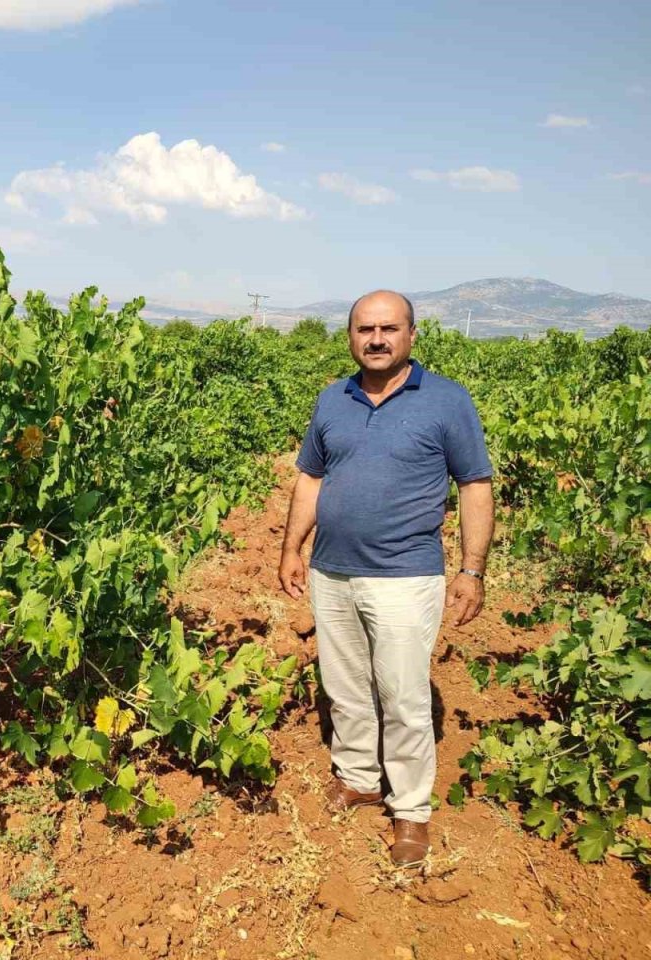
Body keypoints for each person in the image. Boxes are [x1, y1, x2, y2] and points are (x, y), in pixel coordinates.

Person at [278, 290, 494, 867]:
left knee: (402, 694)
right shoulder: (332, 400)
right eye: (365, 329)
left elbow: (475, 484)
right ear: (350, 336)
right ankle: (358, 777)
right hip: (332, 571)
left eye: (389, 328)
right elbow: (310, 480)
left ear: (412, 335)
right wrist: (292, 547)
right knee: (345, 686)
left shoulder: (447, 401)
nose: (376, 338)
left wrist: (472, 569)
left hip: (405, 575)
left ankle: (411, 812)